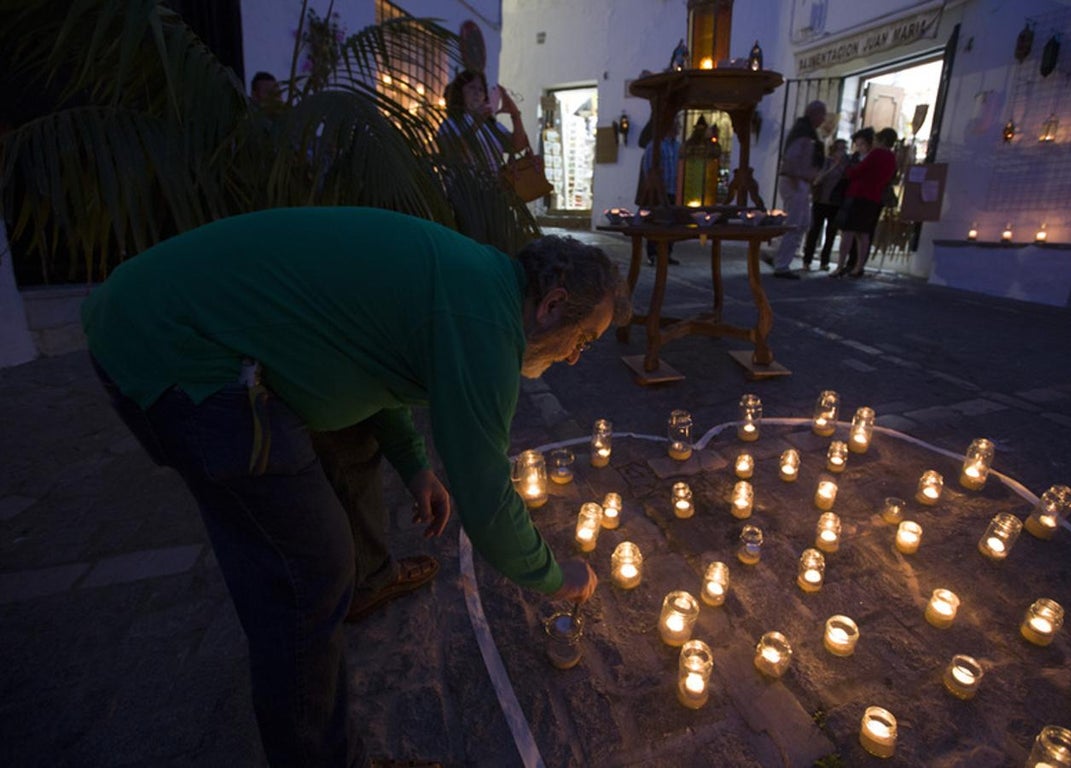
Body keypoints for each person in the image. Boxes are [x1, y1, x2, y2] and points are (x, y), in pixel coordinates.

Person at [81, 207, 631, 768]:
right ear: (554, 304)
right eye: (583, 338)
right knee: (308, 574)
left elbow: (374, 363)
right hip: (183, 354)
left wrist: (413, 464)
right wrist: (556, 576)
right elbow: (485, 490)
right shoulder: (485, 324)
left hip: (164, 320)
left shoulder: (477, 280)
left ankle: (364, 586)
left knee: (341, 456)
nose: (575, 356)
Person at [436, 69, 531, 243]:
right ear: (460, 92)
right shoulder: (450, 124)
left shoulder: (491, 125)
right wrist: (477, 122)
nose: (477, 94)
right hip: (466, 195)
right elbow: (454, 152)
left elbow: (517, 146)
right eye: (472, 88)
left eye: (481, 90)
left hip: (494, 194)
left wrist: (515, 115)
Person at [772, 100, 827, 279]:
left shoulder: (805, 132)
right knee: (795, 223)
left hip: (799, 182)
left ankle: (781, 258)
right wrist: (797, 180)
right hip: (795, 182)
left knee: (802, 223)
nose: (823, 119)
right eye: (822, 115)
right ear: (814, 114)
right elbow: (792, 159)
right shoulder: (803, 134)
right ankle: (781, 264)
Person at [832, 127, 897, 278]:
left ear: (882, 140)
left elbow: (858, 171)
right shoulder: (892, 158)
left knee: (848, 232)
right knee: (863, 234)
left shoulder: (876, 154)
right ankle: (859, 266)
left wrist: (849, 170)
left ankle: (840, 265)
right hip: (874, 197)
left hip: (858, 194)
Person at [636, 117, 681, 265]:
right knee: (656, 221)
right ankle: (653, 253)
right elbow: (649, 167)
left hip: (674, 190)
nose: (678, 129)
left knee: (672, 222)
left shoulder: (678, 146)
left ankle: (667, 253)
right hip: (658, 190)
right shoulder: (655, 146)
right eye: (676, 126)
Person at [803, 137, 848, 271]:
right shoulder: (826, 162)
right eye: (840, 149)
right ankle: (807, 260)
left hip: (835, 203)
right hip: (821, 200)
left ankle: (824, 261)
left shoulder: (846, 167)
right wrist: (834, 166)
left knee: (831, 233)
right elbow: (817, 180)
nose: (842, 152)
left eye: (844, 149)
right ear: (834, 150)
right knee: (814, 230)